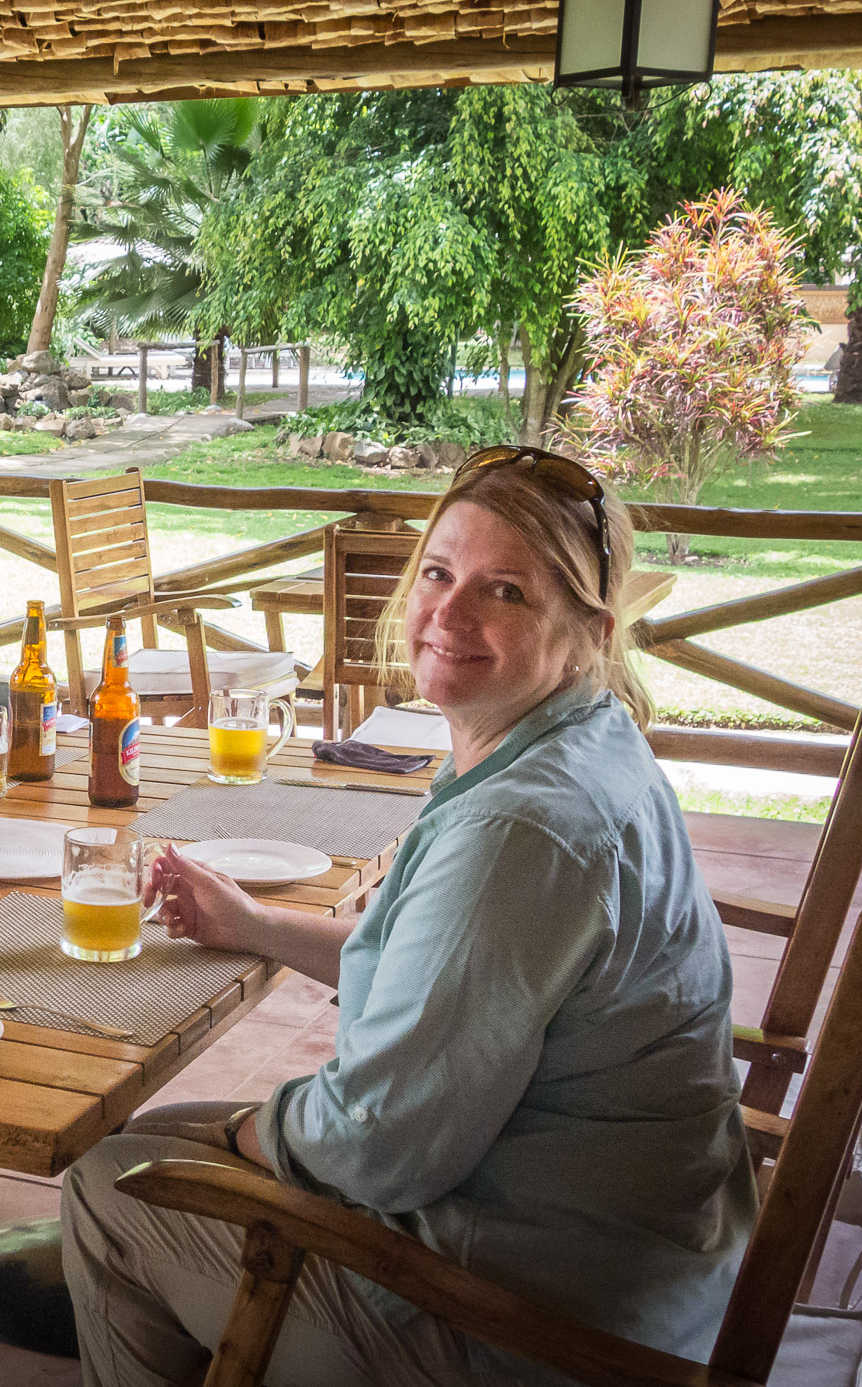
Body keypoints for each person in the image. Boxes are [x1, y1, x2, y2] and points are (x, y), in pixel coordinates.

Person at [61, 446, 756, 1387]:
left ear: (587, 628)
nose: (449, 614)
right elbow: (443, 975)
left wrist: (241, 1139)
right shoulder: (577, 737)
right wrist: (254, 925)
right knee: (155, 1139)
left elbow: (377, 1143)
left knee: (113, 1183)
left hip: (542, 1320)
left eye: (504, 591)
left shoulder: (523, 828)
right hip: (626, 1245)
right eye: (438, 572)